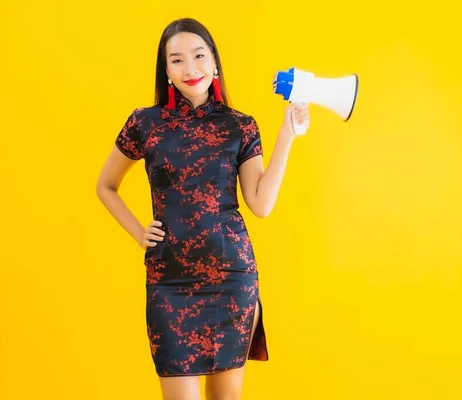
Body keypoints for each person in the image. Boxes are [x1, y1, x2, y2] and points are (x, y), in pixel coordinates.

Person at [96, 17, 309, 400]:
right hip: (169, 281)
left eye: (198, 56)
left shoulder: (240, 126)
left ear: (214, 63)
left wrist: (286, 135)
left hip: (231, 280)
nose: (189, 68)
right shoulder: (144, 123)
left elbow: (260, 203)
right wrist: (137, 231)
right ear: (166, 70)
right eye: (176, 60)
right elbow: (106, 186)